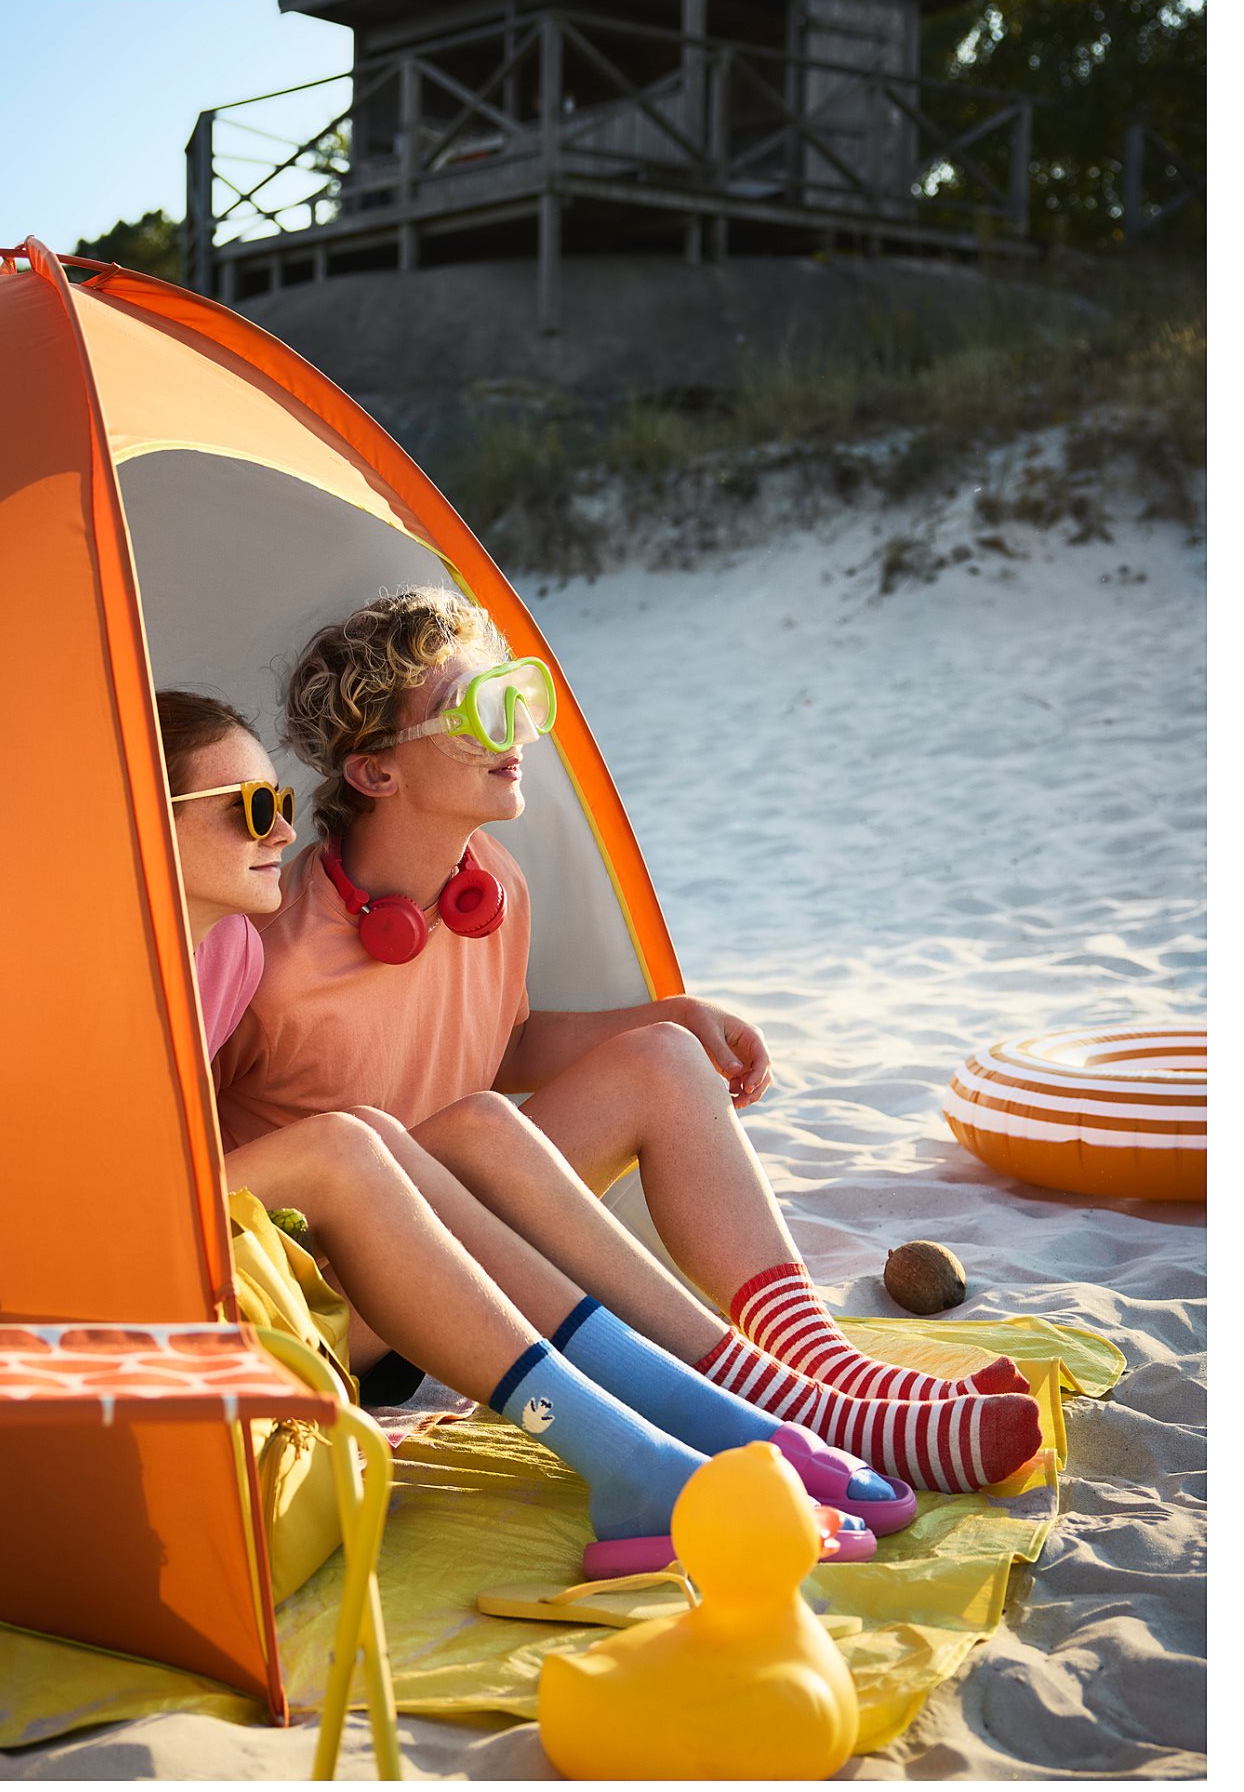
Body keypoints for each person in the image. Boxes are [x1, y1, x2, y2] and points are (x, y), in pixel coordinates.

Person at [211, 591, 1043, 1496]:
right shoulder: (272, 950)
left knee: (660, 1056)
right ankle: (791, 1404)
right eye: (477, 712)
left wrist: (666, 1017)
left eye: (514, 699)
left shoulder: (492, 889)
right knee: (479, 1127)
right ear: (376, 773)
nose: (514, 732)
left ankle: (829, 1373)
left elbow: (504, 1046)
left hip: (485, 1264)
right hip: (349, 1300)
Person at [159, 689, 907, 1561]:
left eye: (279, 805)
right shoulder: (252, 950)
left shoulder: (227, 945)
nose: (278, 833)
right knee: (346, 1141)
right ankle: (648, 1449)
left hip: (396, 1255)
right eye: (250, 810)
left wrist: (659, 1015)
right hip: (277, 1286)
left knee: (480, 1118)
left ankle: (749, 1401)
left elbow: (507, 1044)